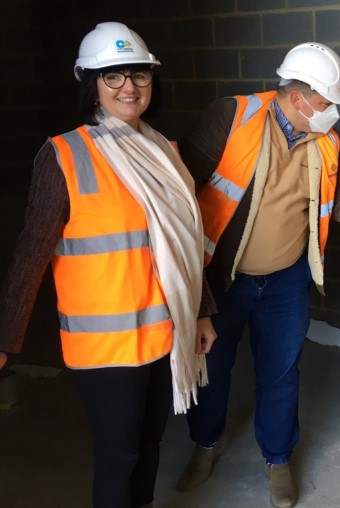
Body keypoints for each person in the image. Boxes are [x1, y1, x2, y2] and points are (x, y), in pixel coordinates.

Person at [173, 42, 340, 507]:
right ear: (297, 97)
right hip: (222, 280)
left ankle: (278, 458)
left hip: (287, 280)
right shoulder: (232, 117)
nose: (332, 113)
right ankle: (205, 446)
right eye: (326, 103)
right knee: (213, 370)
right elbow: (179, 194)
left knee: (281, 373)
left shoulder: (326, 140)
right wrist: (195, 290)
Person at [0, 21, 212, 507]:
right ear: (91, 84)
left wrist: (202, 311)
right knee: (120, 455)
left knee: (150, 447)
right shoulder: (65, 155)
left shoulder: (167, 151)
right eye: (112, 76)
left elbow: (187, 243)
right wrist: (6, 341)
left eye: (138, 74)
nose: (129, 87)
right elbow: (30, 253)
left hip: (165, 333)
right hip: (105, 348)